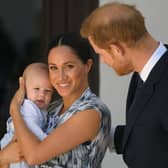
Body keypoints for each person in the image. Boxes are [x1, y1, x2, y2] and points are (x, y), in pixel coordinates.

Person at [0, 32, 111, 168]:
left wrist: (14, 110)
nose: (60, 76)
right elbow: (14, 155)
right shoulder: (50, 108)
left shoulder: (91, 111)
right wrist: (3, 156)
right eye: (53, 68)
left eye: (69, 66)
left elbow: (33, 156)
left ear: (87, 66)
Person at [80, 2, 168, 168]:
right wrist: (98, 132)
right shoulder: (144, 72)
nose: (103, 61)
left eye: (100, 54)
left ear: (117, 49)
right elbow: (151, 135)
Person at [0, 62, 53, 168]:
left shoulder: (42, 109)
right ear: (24, 89)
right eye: (36, 89)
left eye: (47, 91)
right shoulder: (29, 107)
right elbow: (32, 127)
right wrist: (47, 141)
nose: (42, 94)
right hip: (15, 145)